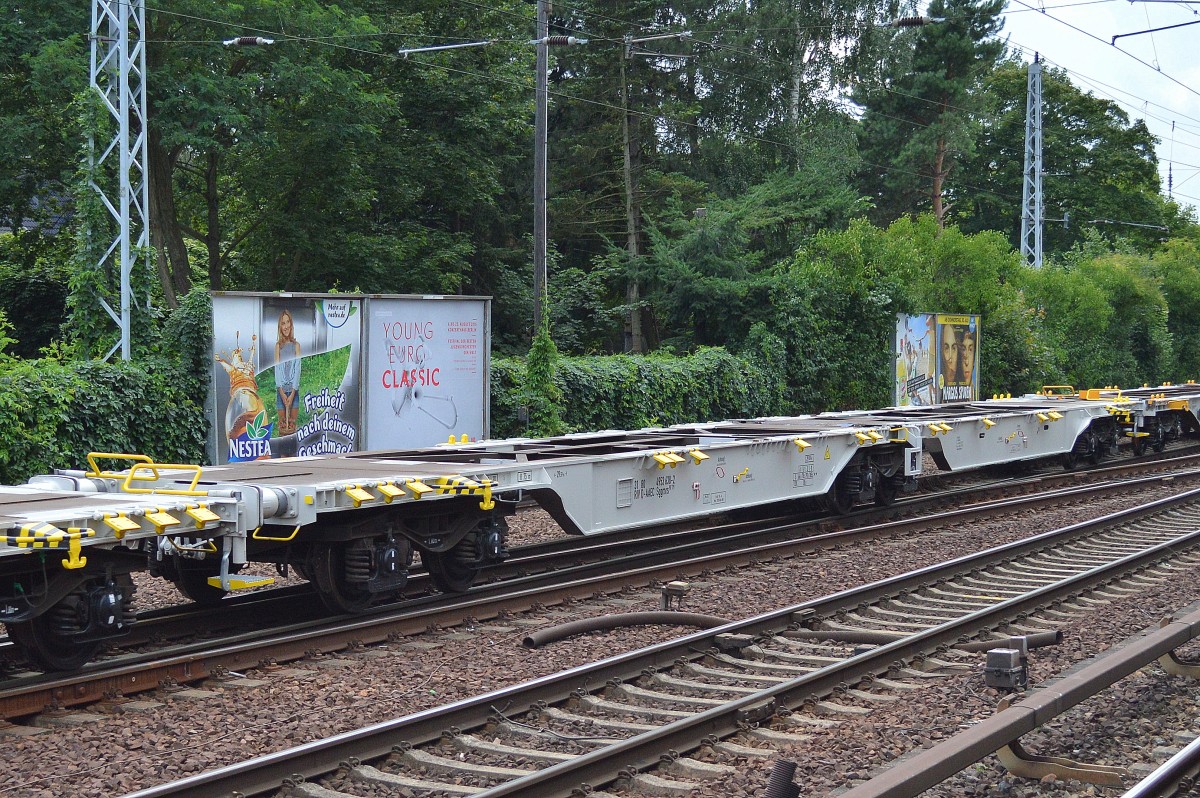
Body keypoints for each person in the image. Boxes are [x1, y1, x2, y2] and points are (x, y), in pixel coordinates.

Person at [274, 310, 302, 435]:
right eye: (283, 323)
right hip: (281, 391)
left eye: (287, 322)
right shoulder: (278, 346)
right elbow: (277, 369)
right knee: (282, 428)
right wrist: (281, 392)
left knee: (292, 427)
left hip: (293, 391)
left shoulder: (296, 346)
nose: (286, 326)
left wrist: (292, 393)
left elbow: (297, 369)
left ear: (291, 324)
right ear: (280, 327)